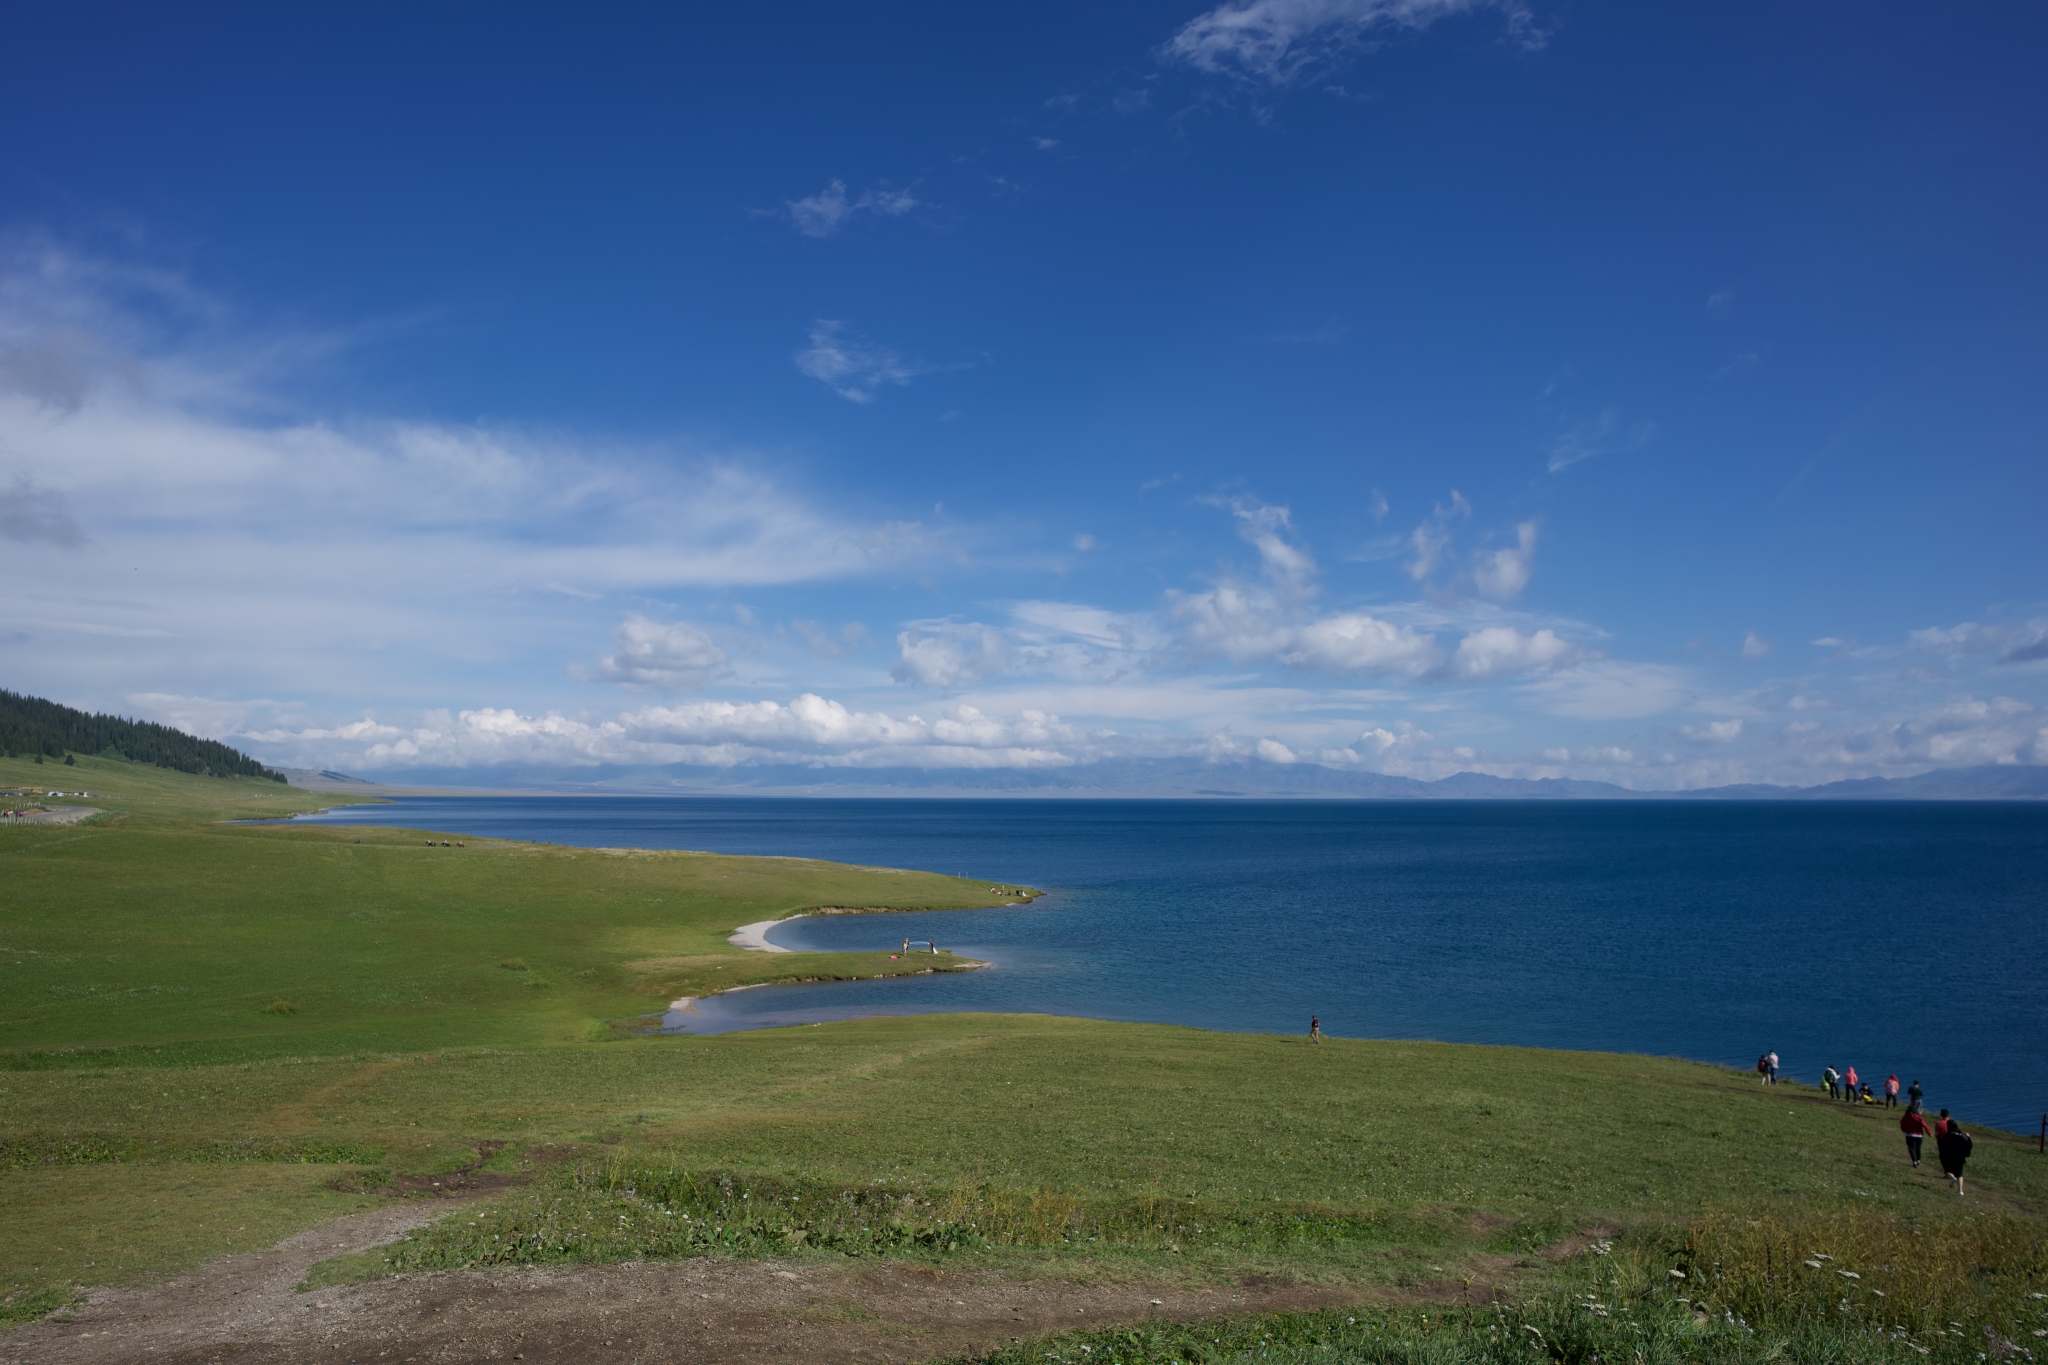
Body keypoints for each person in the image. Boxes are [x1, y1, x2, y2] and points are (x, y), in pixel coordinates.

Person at [1936, 1114, 1973, 1195]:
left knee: (1948, 1171)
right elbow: (1969, 1146)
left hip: (1950, 1157)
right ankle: (1960, 1190)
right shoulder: (1960, 1137)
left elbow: (1942, 1146)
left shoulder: (1947, 1136)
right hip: (1960, 1158)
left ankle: (1952, 1178)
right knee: (1959, 1173)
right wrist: (1968, 1137)